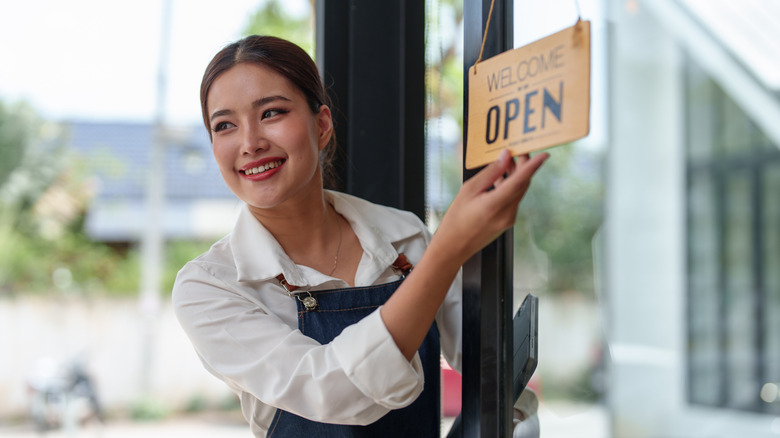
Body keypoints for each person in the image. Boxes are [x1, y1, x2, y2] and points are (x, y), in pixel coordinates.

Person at [173, 35, 547, 437]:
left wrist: (512, 421)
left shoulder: (403, 237)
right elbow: (332, 390)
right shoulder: (210, 286)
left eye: (272, 113)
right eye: (224, 125)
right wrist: (449, 248)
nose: (250, 143)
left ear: (321, 125)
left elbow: (490, 372)